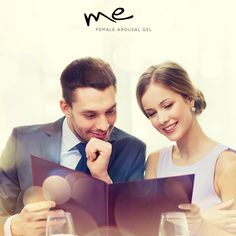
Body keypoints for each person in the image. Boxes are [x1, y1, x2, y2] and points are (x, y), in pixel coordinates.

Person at [0, 57, 146, 236]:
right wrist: (12, 226)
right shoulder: (22, 141)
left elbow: (135, 226)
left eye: (110, 111)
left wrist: (101, 177)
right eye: (90, 115)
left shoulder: (132, 150)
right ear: (65, 107)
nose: (103, 125)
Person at [136, 61, 236, 235]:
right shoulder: (155, 161)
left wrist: (202, 224)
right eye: (152, 113)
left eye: (167, 105)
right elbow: (147, 229)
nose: (161, 119)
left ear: (189, 98)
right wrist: (205, 218)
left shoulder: (227, 164)